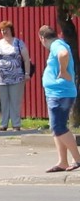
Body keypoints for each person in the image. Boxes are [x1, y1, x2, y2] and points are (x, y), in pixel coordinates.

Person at [38, 25, 80, 172]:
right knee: (56, 128)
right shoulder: (59, 44)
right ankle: (62, 161)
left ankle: (78, 159)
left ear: (42, 38)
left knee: (58, 127)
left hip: (60, 93)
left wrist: (62, 71)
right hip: (57, 92)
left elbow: (63, 54)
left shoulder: (57, 45)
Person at [0, 20, 31, 131]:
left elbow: (26, 59)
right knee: (3, 101)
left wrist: (27, 73)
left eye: (5, 30)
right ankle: (3, 124)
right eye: (2, 30)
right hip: (0, 78)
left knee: (15, 100)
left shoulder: (18, 43)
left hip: (16, 77)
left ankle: (16, 124)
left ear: (11, 30)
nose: (3, 32)